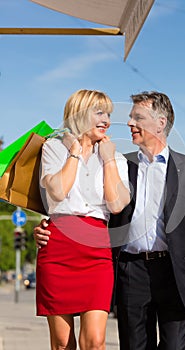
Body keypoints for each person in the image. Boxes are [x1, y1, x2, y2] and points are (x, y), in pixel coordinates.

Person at [35, 91, 185, 350]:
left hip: (175, 273)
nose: (129, 123)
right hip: (131, 271)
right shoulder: (126, 164)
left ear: (161, 122)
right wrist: (48, 225)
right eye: (130, 116)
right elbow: (77, 203)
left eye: (138, 117)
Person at [35, 88, 130, 350]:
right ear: (79, 115)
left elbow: (117, 203)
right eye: (99, 112)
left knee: (95, 342)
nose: (106, 120)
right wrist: (75, 152)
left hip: (96, 250)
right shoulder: (53, 148)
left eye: (108, 114)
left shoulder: (116, 157)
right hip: (58, 250)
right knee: (63, 343)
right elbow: (57, 191)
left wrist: (108, 159)